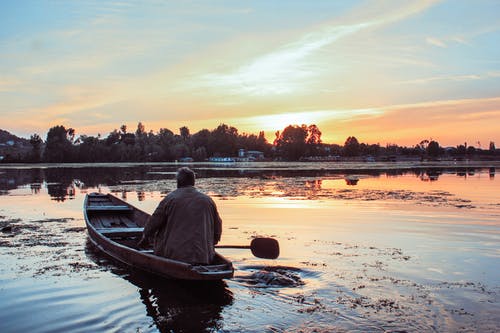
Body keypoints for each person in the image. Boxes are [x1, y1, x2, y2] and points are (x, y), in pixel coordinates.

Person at [138, 167, 222, 265]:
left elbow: (152, 224)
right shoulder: (208, 200)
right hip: (204, 256)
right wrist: (210, 244)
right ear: (193, 182)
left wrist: (145, 238)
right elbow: (218, 228)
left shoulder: (170, 199)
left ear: (178, 182)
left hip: (175, 256)